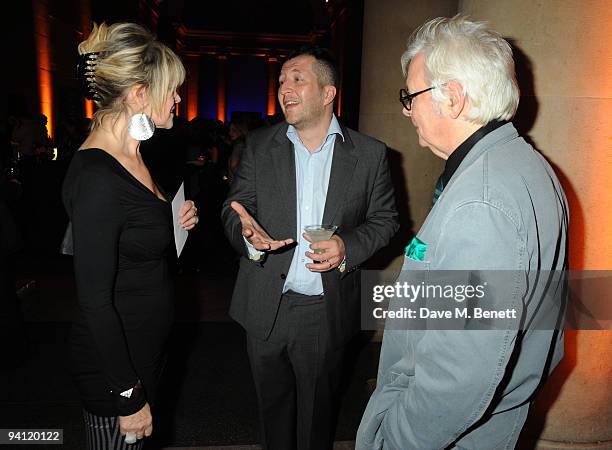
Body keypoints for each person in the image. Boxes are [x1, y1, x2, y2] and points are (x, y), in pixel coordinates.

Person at [356, 15, 569, 449]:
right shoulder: (526, 164)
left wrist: (392, 439)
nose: (405, 109)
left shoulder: (481, 203)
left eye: (410, 95)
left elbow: (457, 380)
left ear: (451, 98)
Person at [221, 45, 399, 450]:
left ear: (328, 93)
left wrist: (346, 247)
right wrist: (246, 233)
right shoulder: (258, 146)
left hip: (325, 309)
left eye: (298, 79)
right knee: (273, 414)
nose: (285, 88)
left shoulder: (370, 154)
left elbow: (386, 220)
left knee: (317, 415)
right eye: (282, 80)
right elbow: (234, 209)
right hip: (266, 302)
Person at [62, 22, 198, 449]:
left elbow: (132, 239)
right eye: (172, 89)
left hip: (144, 353)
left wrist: (173, 221)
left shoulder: (133, 154)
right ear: (140, 93)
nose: (178, 98)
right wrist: (127, 395)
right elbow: (94, 300)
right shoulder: (98, 176)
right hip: (116, 373)